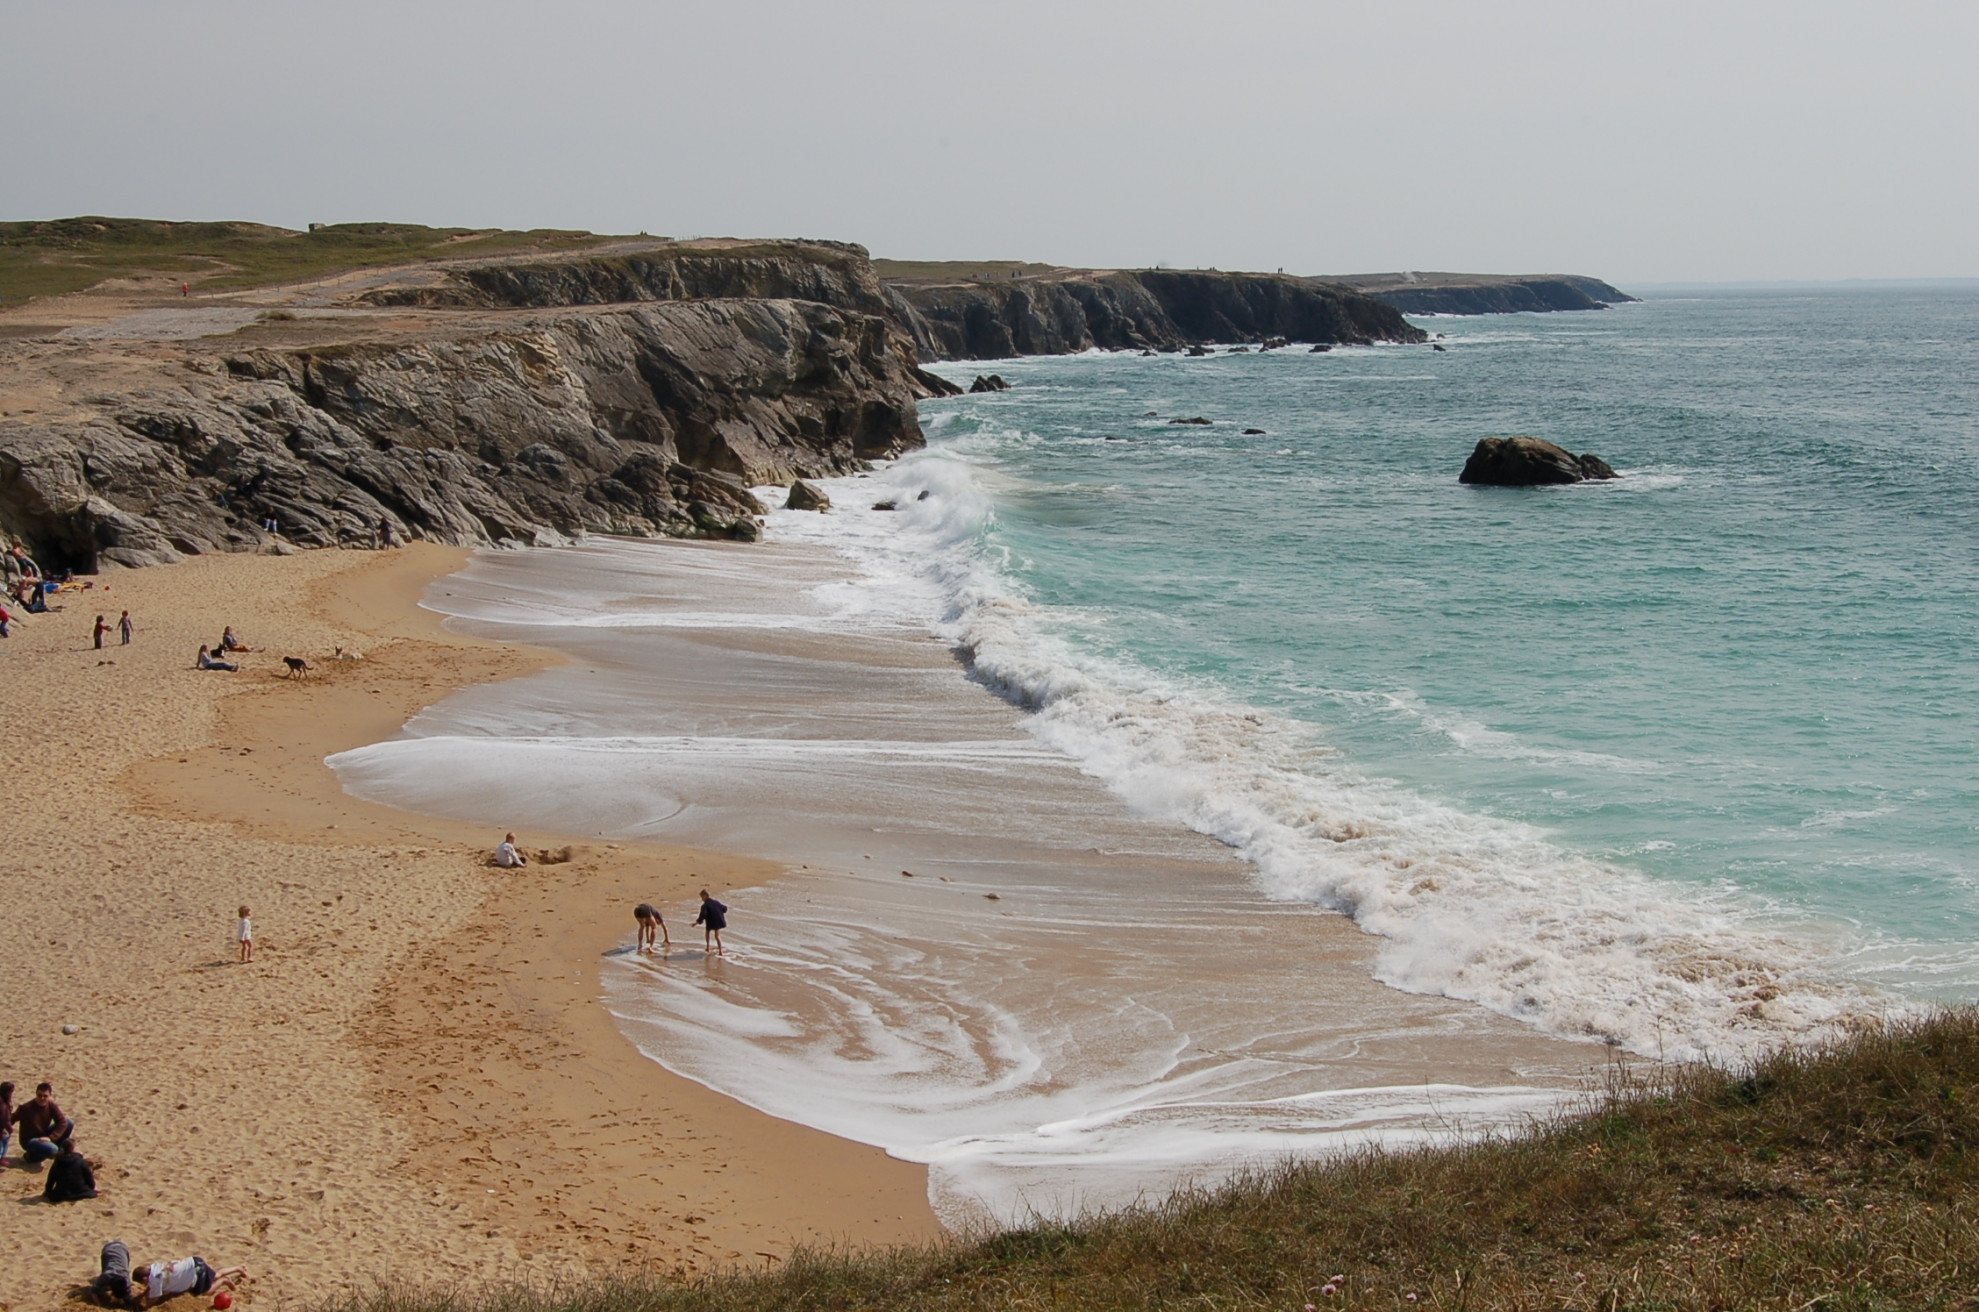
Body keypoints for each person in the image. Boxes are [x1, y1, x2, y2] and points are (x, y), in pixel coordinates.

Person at [139, 1255, 246, 1307]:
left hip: (196, 1274)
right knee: (216, 1274)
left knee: (206, 1292)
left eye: (144, 1283)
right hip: (194, 1261)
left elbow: (154, 1298)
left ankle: (224, 1281)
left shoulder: (155, 1281)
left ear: (144, 1279)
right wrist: (146, 1291)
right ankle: (238, 1268)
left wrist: (145, 1306)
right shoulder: (154, 1267)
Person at [16, 1082, 74, 1163]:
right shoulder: (26, 1108)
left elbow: (62, 1122)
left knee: (69, 1122)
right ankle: (31, 1157)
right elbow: (11, 1119)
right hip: (29, 1140)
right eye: (40, 1095)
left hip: (44, 1135)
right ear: (36, 1094)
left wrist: (51, 1138)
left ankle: (59, 1151)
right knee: (52, 1149)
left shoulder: (51, 1105)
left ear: (50, 1095)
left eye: (45, 1096)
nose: (42, 1098)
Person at [44, 1136, 97, 1201]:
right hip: (80, 1191)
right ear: (73, 1149)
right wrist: (92, 1187)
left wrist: (48, 1191)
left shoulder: (58, 1161)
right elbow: (89, 1177)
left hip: (61, 1193)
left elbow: (51, 1179)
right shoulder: (80, 1160)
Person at [694, 889, 727, 955]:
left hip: (711, 921)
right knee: (717, 936)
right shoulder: (716, 902)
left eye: (702, 897)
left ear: (705, 896)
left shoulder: (705, 905)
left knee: (707, 932)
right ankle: (721, 951)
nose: (702, 899)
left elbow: (703, 915)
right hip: (718, 920)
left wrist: (697, 922)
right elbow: (724, 908)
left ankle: (708, 947)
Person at [0, 1080, 14, 1162]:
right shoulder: (3, 1105)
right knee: (3, 1143)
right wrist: (10, 1129)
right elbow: (4, 1120)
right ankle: (2, 1158)